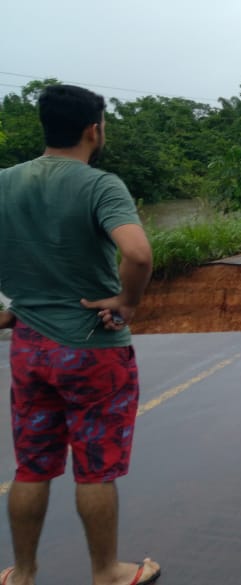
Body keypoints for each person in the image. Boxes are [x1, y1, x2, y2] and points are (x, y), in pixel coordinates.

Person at [0, 85, 159, 585]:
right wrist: (128, 302)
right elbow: (137, 254)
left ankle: (22, 573)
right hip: (92, 346)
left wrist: (6, 308)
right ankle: (106, 572)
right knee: (95, 468)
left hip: (28, 347)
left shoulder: (5, 182)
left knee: (31, 466)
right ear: (95, 129)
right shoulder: (100, 185)